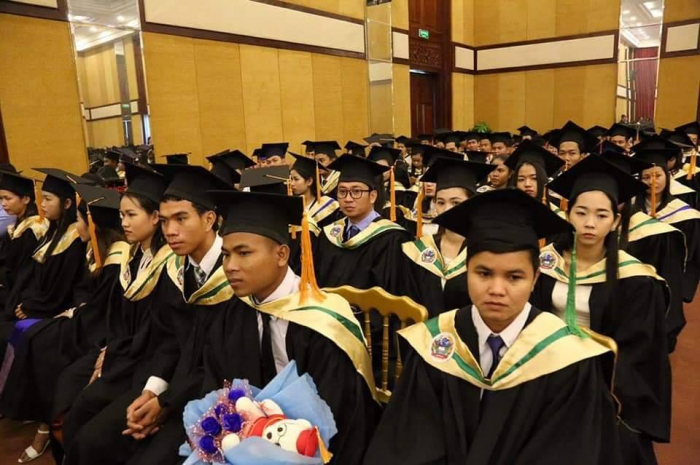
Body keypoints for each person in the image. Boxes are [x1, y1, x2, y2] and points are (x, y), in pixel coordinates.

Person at [364, 188, 621, 465]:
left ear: (535, 278)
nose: (497, 289)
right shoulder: (437, 346)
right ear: (466, 270)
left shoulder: (565, 359)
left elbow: (568, 451)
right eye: (484, 273)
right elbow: (409, 443)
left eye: (514, 277)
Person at [132, 190, 380, 464]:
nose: (230, 266)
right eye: (226, 255)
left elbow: (340, 413)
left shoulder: (323, 323)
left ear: (281, 254)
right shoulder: (233, 313)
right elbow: (216, 386)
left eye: (244, 253)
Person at [61, 165, 233, 465]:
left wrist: (165, 405)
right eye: (164, 221)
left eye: (181, 219)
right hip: (171, 386)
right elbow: (167, 339)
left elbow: (223, 364)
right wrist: (153, 391)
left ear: (209, 219)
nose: (170, 231)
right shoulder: (176, 270)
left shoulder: (234, 276)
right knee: (91, 439)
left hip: (214, 399)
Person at [534, 155, 671, 464]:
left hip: (603, 384)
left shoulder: (634, 279)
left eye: (601, 215)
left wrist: (594, 386)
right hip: (543, 370)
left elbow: (638, 352)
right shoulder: (543, 264)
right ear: (567, 214)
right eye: (581, 213)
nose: (590, 223)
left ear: (616, 221)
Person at [48, 162, 170, 463]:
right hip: (123, 353)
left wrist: (114, 354)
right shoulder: (135, 258)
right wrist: (109, 350)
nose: (124, 223)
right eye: (122, 216)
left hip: (143, 364)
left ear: (155, 217)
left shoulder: (168, 266)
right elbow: (119, 319)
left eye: (131, 215)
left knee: (91, 430)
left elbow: (161, 334)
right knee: (74, 398)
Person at [1, 184, 127, 463]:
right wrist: (75, 310)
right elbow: (85, 293)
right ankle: (33, 413)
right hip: (86, 320)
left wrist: (73, 313)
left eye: (81, 220)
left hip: (97, 331)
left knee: (44, 346)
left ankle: (45, 425)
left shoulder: (117, 258)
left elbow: (102, 312)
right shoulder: (96, 250)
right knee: (35, 337)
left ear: (94, 225)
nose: (77, 226)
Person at [599, 147, 688, 352]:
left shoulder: (655, 234)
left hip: (638, 327)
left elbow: (670, 286)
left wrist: (662, 331)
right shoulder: (584, 230)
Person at [398, 157, 494, 314]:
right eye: (441, 202)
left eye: (456, 203)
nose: (447, 210)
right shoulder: (419, 251)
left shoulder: (487, 252)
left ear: (472, 204)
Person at [633, 146, 700, 305]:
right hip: (634, 281)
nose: (652, 181)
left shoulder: (684, 214)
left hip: (670, 280)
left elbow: (691, 255)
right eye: (646, 177)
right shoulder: (630, 210)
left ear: (667, 176)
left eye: (658, 175)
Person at [289, 153, 341, 228]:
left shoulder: (328, 207)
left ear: (309, 181)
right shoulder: (291, 206)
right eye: (291, 179)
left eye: (296, 179)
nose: (292, 183)